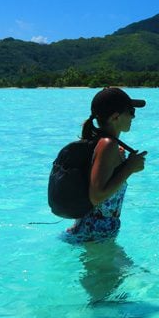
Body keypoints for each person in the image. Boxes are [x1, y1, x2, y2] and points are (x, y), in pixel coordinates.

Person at [64, 87, 148, 243]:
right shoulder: (107, 144)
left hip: (92, 231)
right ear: (115, 117)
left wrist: (122, 165)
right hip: (95, 234)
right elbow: (96, 196)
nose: (133, 117)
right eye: (131, 112)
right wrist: (129, 167)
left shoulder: (102, 142)